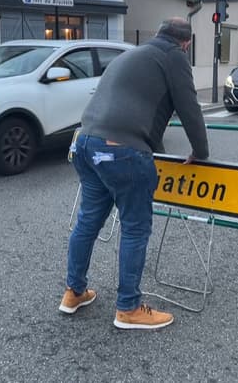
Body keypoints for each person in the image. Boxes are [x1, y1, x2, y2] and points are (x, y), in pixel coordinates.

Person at [60, 17, 209, 330]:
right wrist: (200, 152)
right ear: (186, 43)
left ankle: (74, 292)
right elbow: (189, 108)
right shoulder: (174, 57)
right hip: (122, 149)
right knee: (135, 227)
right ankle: (128, 307)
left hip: (85, 143)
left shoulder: (130, 55)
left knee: (88, 220)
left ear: (157, 34)